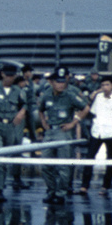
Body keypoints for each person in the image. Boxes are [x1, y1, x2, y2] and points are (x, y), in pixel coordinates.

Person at [38, 67, 87, 205]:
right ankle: (51, 191)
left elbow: (86, 108)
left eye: (62, 82)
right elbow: (41, 110)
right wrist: (43, 122)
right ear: (52, 82)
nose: (61, 84)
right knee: (46, 164)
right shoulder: (46, 95)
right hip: (50, 132)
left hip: (63, 132)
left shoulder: (70, 95)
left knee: (63, 165)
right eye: (58, 82)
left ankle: (60, 193)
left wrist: (74, 123)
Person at [0, 65, 27, 197]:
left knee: (6, 157)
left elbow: (25, 103)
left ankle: (1, 185)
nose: (10, 78)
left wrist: (21, 113)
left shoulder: (17, 90)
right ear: (2, 74)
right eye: (8, 75)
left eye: (12, 76)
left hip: (10, 127)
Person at [81, 77, 112, 195]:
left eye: (107, 84)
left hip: (111, 132)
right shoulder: (98, 98)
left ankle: (106, 186)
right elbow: (93, 112)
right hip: (97, 131)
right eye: (102, 85)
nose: (104, 87)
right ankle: (84, 185)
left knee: (110, 159)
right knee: (90, 157)